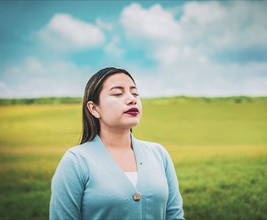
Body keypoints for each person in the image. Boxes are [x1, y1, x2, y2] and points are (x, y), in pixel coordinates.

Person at [49, 67, 184, 220]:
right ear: (94, 109)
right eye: (118, 94)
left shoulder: (159, 154)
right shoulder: (75, 161)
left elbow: (175, 216)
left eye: (135, 93)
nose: (132, 99)